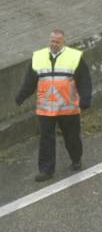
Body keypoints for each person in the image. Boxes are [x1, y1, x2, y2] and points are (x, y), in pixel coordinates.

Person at [14, 29, 92, 181]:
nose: (54, 44)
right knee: (46, 140)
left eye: (57, 42)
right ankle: (46, 171)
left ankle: (76, 159)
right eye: (52, 41)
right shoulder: (38, 57)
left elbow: (84, 80)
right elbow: (30, 81)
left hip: (67, 108)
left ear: (64, 42)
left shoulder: (74, 57)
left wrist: (85, 99)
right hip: (45, 109)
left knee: (72, 138)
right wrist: (21, 97)